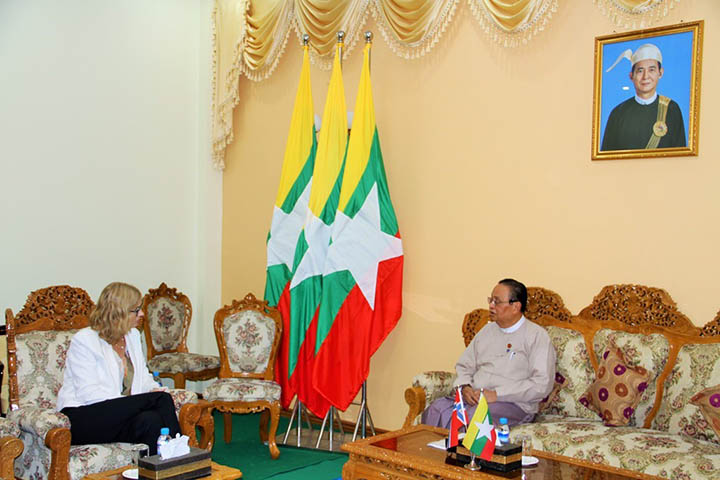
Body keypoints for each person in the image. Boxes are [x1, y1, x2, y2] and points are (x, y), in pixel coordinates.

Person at [57, 282, 180, 455]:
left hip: (117, 416)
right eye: (136, 310)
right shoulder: (85, 340)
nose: (142, 314)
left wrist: (151, 391)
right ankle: (182, 454)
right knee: (162, 399)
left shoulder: (133, 336)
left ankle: (157, 467)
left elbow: (143, 377)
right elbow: (89, 393)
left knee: (151, 420)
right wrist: (136, 403)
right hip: (83, 416)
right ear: (119, 313)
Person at [422, 278, 556, 428]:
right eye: (490, 300)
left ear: (515, 306)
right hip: (475, 399)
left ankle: (455, 444)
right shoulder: (487, 331)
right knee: (436, 410)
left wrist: (496, 394)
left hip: (513, 404)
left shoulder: (536, 336)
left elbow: (541, 384)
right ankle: (440, 444)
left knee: (476, 417)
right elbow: (464, 365)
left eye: (497, 302)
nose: (491, 306)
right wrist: (465, 387)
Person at [601, 43, 686, 151]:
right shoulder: (618, 113)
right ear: (631, 76)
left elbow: (680, 155)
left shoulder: (671, 109)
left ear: (660, 73)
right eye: (640, 71)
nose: (646, 76)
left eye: (651, 70)